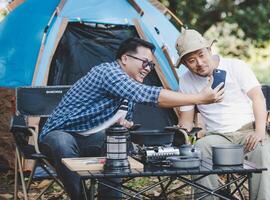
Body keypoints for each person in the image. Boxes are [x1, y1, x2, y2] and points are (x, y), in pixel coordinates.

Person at [38, 37, 224, 200]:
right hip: (58, 135)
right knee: (62, 141)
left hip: (90, 139)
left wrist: (123, 124)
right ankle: (80, 197)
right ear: (125, 59)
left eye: (151, 65)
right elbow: (149, 95)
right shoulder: (107, 72)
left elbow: (121, 118)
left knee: (117, 142)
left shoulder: (129, 85)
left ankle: (109, 197)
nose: (148, 69)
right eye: (145, 62)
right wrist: (199, 97)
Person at [176, 29, 270, 200]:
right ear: (184, 64)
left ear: (209, 50)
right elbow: (186, 122)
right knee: (198, 149)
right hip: (217, 137)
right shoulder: (186, 80)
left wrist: (259, 131)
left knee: (262, 150)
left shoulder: (235, 66)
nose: (199, 63)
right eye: (191, 60)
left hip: (247, 132)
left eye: (201, 55)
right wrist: (181, 137)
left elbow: (258, 98)